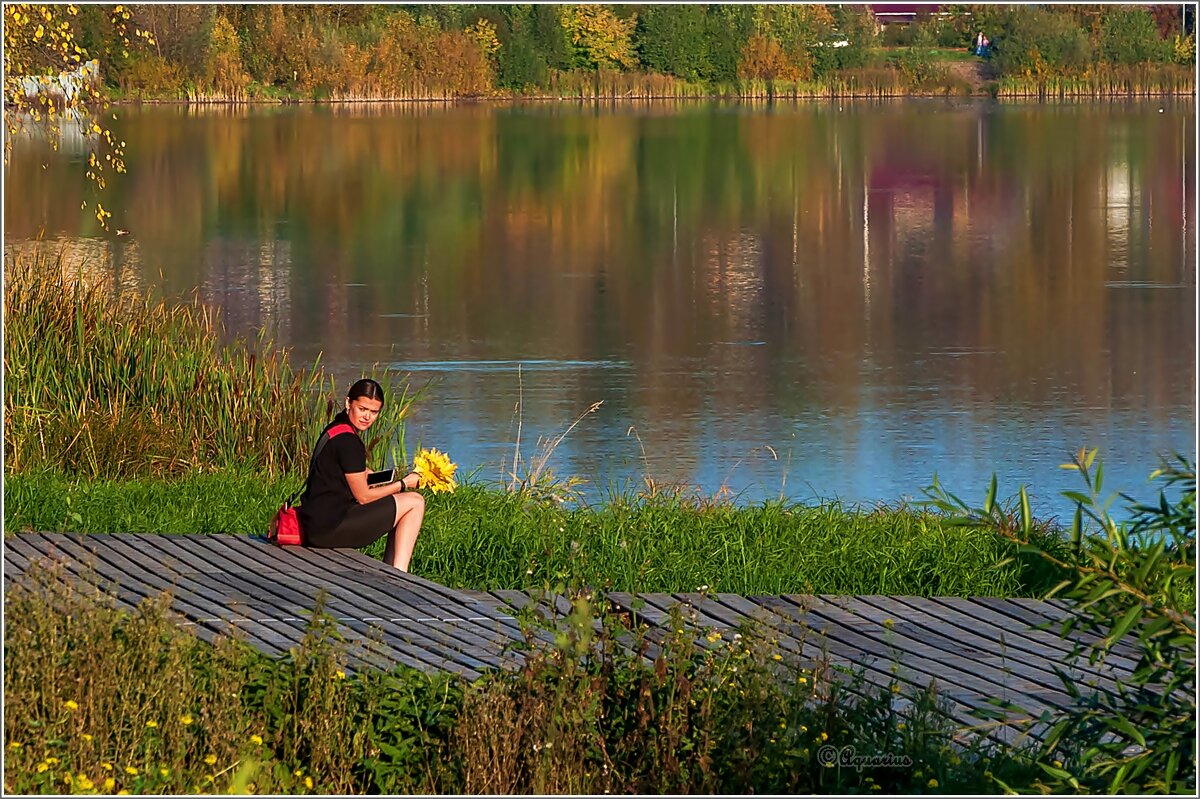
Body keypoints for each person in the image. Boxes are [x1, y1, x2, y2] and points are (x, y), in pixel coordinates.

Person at [298, 378, 425, 571]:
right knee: (415, 501)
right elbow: (363, 497)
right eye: (362, 409)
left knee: (403, 503)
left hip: (315, 523)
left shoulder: (334, 429)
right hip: (330, 529)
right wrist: (404, 483)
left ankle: (392, 572)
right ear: (349, 403)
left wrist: (368, 476)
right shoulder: (349, 442)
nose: (367, 417)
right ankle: (400, 574)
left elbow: (341, 474)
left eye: (374, 412)